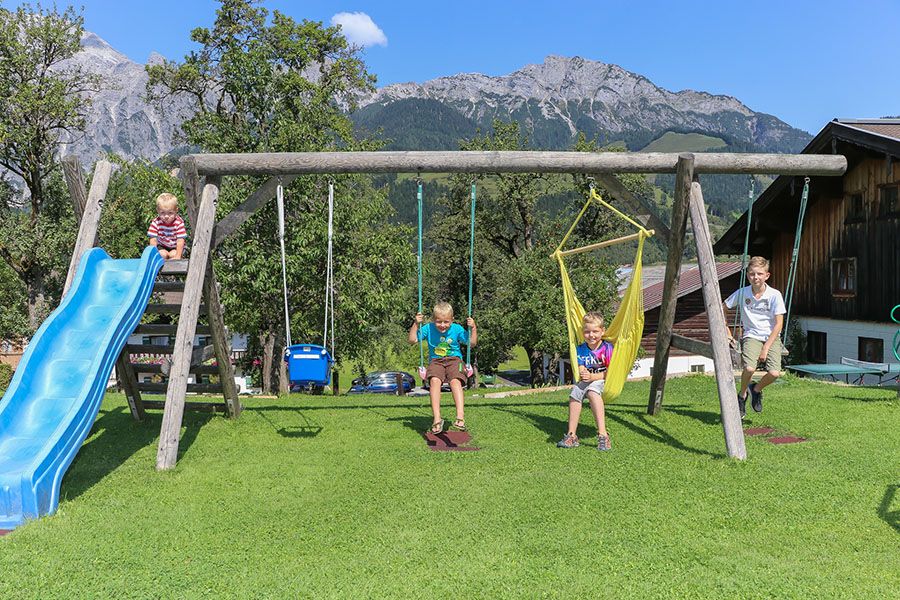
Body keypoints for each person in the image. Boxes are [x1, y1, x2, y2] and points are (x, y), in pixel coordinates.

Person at [723, 256, 786, 418]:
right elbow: (723, 307)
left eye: (759, 274)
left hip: (771, 336)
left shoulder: (774, 295)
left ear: (767, 276)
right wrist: (726, 330)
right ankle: (742, 395)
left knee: (774, 373)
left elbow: (779, 324)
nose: (755, 277)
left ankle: (756, 390)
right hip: (751, 335)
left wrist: (766, 347)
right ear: (747, 275)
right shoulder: (743, 293)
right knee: (749, 368)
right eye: (751, 274)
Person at [408, 302, 477, 434]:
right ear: (434, 320)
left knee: (455, 381)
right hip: (436, 360)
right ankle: (437, 418)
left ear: (452, 320)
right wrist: (416, 324)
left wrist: (473, 328)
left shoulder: (456, 329)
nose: (443, 325)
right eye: (439, 322)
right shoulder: (428, 328)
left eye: (446, 322)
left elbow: (472, 343)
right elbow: (412, 340)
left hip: (455, 360)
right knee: (434, 381)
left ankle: (460, 417)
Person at [557, 312, 614, 451]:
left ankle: (603, 435)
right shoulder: (581, 349)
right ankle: (572, 435)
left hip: (603, 380)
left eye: (595, 331)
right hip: (587, 379)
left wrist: (592, 377)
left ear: (602, 331)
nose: (591, 335)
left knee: (592, 392)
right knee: (575, 393)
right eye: (587, 332)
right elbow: (581, 367)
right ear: (582, 332)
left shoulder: (607, 348)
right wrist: (583, 372)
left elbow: (611, 373)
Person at [147, 193, 187, 260]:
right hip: (162, 246)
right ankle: (160, 268)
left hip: (176, 246)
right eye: (162, 213)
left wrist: (178, 256)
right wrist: (154, 256)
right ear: (158, 211)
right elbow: (153, 240)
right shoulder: (156, 222)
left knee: (173, 254)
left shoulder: (179, 223)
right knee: (162, 254)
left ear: (176, 210)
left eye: (170, 213)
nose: (166, 216)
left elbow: (180, 240)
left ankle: (174, 268)